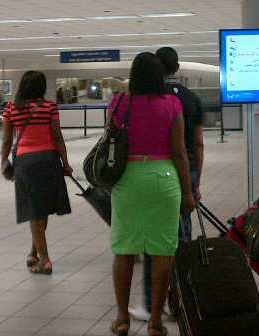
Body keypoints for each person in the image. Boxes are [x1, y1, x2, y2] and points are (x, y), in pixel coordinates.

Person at [109, 52, 195, 336]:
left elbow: (111, 144)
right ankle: (156, 322)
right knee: (162, 253)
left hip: (127, 179)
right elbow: (180, 152)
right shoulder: (172, 104)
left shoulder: (119, 103)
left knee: (124, 249)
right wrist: (188, 192)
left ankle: (122, 319)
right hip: (163, 178)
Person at [129, 46, 205, 321]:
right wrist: (194, 183)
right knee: (180, 240)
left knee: (153, 243)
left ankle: (152, 304)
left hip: (151, 172)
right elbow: (196, 143)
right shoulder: (190, 99)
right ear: (177, 67)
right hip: (184, 172)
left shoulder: (137, 100)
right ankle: (181, 299)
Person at [0, 70, 73, 275]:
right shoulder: (50, 107)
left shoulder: (12, 108)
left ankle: (45, 260)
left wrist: (4, 162)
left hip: (26, 163)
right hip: (49, 160)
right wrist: (65, 163)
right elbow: (57, 137)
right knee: (41, 209)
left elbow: (6, 140)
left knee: (34, 211)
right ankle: (34, 253)